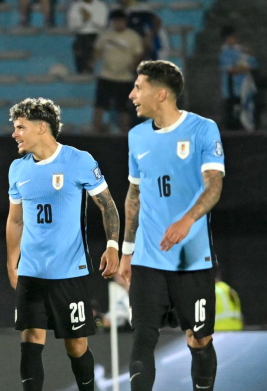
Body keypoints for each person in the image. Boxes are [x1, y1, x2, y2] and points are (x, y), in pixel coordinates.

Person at [120, 60, 225, 391]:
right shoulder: (136, 137)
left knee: (199, 338)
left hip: (192, 260)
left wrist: (187, 220)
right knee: (143, 335)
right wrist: (126, 251)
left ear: (161, 94)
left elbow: (214, 185)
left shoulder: (202, 130)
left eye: (139, 87)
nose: (132, 94)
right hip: (148, 259)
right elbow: (133, 196)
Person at [6, 97, 120, 391]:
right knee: (30, 339)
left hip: (70, 272)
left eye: (20, 127)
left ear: (42, 127)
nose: (15, 134)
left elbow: (107, 206)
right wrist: (11, 260)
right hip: (32, 272)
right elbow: (15, 221)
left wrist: (112, 245)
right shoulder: (17, 170)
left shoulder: (78, 160)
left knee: (76, 346)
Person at [92, 10, 143, 133]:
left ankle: (124, 138)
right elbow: (97, 51)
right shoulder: (105, 35)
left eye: (121, 21)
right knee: (99, 106)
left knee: (124, 109)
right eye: (116, 21)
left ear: (125, 22)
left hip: (124, 78)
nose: (119, 24)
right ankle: (95, 134)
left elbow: (139, 54)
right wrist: (93, 62)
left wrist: (133, 65)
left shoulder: (133, 37)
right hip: (106, 76)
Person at [220, 26, 259, 131]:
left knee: (246, 109)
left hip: (244, 87)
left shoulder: (240, 50)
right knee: (233, 111)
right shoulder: (225, 52)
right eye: (231, 37)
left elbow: (254, 63)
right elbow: (230, 69)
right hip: (232, 88)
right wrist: (243, 68)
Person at [67, 0, 108, 74]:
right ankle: (83, 70)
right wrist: (83, 20)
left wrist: (89, 17)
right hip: (81, 35)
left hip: (97, 35)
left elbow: (102, 24)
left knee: (92, 43)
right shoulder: (75, 6)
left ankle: (90, 68)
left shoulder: (101, 6)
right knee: (80, 43)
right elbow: (71, 26)